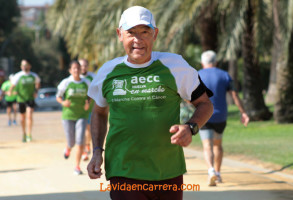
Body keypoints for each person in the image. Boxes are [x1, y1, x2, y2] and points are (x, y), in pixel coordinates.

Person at [87, 6, 214, 200]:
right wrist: (97, 151)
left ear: (155, 34)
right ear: (119, 34)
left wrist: (190, 127)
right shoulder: (108, 72)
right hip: (124, 170)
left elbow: (205, 104)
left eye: (144, 32)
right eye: (131, 33)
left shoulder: (175, 65)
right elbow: (99, 113)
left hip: (168, 171)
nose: (138, 40)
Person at [198, 50, 250, 186]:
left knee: (207, 145)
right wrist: (243, 113)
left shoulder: (197, 75)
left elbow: (188, 96)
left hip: (203, 115)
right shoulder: (225, 75)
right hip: (221, 116)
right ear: (216, 62)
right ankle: (218, 173)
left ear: (202, 63)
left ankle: (210, 171)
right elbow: (234, 95)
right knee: (218, 144)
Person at [56, 60, 91, 175]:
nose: (76, 70)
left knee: (80, 140)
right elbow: (58, 97)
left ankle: (77, 166)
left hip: (82, 115)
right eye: (74, 68)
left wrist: (87, 103)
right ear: (70, 70)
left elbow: (90, 95)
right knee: (71, 141)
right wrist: (63, 102)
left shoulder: (86, 82)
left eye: (78, 68)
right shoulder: (65, 82)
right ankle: (68, 147)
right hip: (68, 115)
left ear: (81, 70)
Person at [9, 59, 41, 142]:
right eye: (22, 65)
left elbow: (38, 83)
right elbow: (13, 85)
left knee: (29, 115)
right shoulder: (18, 76)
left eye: (25, 65)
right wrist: (10, 91)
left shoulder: (34, 76)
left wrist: (36, 91)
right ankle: (24, 133)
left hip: (30, 98)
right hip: (21, 99)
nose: (24, 66)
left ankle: (29, 134)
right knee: (22, 118)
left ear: (29, 66)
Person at [79, 58, 95, 161]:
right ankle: (85, 148)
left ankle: (86, 146)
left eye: (85, 65)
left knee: (87, 128)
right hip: (78, 108)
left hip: (90, 107)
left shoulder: (93, 77)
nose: (83, 68)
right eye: (81, 66)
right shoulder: (75, 77)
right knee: (82, 129)